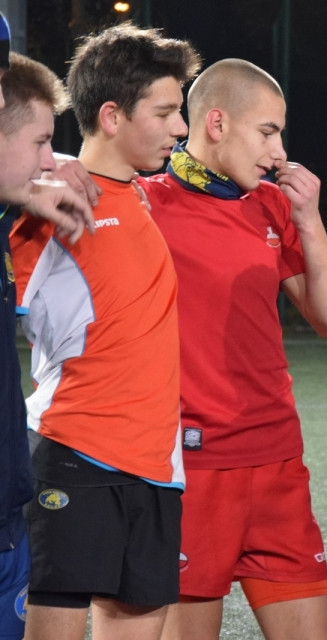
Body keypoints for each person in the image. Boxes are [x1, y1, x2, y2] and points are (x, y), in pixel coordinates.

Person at [137, 58, 327, 640]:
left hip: (278, 461)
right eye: (267, 132)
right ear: (217, 123)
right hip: (193, 469)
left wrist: (308, 219)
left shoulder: (272, 205)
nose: (279, 152)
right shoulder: (145, 203)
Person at [9, 23, 200, 640]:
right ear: (112, 116)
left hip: (158, 468)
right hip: (73, 454)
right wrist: (40, 180)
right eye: (165, 113)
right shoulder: (44, 209)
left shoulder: (145, 197)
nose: (180, 128)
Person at [0, 29, 97, 640]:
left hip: (9, 515)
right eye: (40, 142)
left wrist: (42, 176)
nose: (49, 159)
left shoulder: (9, 213)